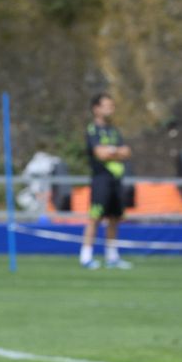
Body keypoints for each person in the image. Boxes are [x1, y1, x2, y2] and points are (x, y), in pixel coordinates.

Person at [79, 93, 133, 270]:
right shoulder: (93, 130)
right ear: (96, 108)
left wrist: (112, 151)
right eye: (107, 105)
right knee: (95, 217)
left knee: (115, 218)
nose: (111, 109)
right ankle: (86, 256)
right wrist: (115, 152)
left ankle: (112, 256)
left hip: (116, 179)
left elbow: (127, 152)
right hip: (100, 179)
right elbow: (100, 154)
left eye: (112, 105)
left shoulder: (114, 131)